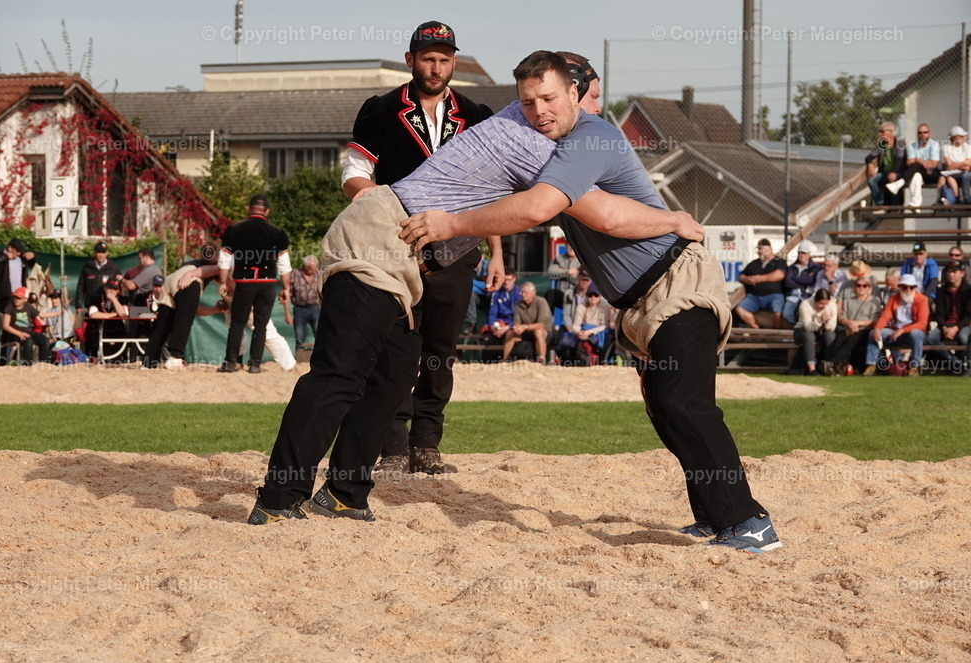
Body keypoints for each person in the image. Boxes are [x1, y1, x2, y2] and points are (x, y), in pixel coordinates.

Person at [248, 50, 709, 529]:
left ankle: (344, 494)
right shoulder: (534, 140)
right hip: (378, 238)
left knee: (390, 379)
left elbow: (495, 197)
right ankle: (280, 496)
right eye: (534, 100)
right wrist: (673, 219)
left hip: (412, 257)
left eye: (564, 99)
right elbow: (599, 214)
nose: (549, 110)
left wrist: (493, 250)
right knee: (339, 374)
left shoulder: (542, 129)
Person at [399, 51, 780, 552]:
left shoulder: (592, 136)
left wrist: (449, 224)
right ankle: (714, 516)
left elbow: (560, 211)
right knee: (667, 408)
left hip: (677, 283)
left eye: (551, 98)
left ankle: (748, 521)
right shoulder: (552, 146)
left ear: (575, 95)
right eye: (529, 102)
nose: (539, 111)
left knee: (681, 402)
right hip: (643, 298)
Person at [342, 20, 503, 475]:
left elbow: (490, 191)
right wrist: (383, 213)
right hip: (397, 248)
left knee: (441, 349)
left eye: (445, 59)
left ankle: (427, 443)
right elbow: (354, 174)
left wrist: (497, 252)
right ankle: (392, 444)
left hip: (458, 247)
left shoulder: (477, 114)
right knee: (396, 347)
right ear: (411, 59)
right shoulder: (379, 109)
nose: (436, 67)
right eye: (428, 58)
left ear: (454, 62)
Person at [217, 195, 290, 374]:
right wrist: (286, 288)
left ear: (249, 209)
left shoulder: (234, 230)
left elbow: (224, 259)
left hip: (244, 282)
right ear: (267, 211)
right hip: (267, 284)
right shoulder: (278, 233)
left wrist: (222, 282)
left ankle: (230, 363)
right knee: (261, 325)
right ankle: (255, 364)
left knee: (237, 323)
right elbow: (284, 264)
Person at [141, 243, 221, 370]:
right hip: (188, 278)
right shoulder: (218, 264)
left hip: (170, 280)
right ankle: (175, 357)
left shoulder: (193, 261)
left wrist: (216, 309)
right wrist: (190, 275)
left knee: (162, 326)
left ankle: (148, 363)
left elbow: (194, 310)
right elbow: (212, 270)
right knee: (184, 319)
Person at [864, 273, 929, 376]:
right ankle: (871, 365)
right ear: (900, 287)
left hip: (911, 333)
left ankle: (915, 366)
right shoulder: (894, 299)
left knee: (916, 333)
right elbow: (885, 316)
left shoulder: (922, 300)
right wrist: (877, 328)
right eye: (904, 287)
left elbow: (922, 324)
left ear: (915, 288)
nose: (908, 290)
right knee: (873, 333)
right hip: (895, 331)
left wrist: (902, 330)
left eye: (911, 287)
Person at [822, 276, 881, 375]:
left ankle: (831, 363)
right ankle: (828, 363)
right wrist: (849, 324)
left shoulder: (874, 301)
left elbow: (875, 320)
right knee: (840, 337)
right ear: (854, 287)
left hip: (865, 330)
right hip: (849, 327)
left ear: (869, 287)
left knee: (853, 338)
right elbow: (842, 316)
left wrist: (859, 323)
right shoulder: (849, 300)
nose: (861, 288)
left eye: (864, 286)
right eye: (858, 285)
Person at [926, 263, 971, 370]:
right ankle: (955, 362)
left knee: (964, 338)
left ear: (962, 274)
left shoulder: (968, 291)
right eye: (949, 272)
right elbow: (939, 314)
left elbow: (968, 315)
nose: (951, 275)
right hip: (945, 325)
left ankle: (964, 363)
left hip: (961, 325)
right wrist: (945, 327)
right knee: (931, 338)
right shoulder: (941, 291)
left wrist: (955, 328)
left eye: (954, 272)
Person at [734, 238, 786, 329]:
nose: (759, 251)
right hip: (754, 296)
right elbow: (740, 276)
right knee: (740, 309)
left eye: (761, 248)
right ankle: (758, 329)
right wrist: (747, 279)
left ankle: (777, 332)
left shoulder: (778, 261)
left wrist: (759, 278)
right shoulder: (754, 263)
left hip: (774, 295)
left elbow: (779, 275)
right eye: (758, 249)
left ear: (768, 249)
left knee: (777, 312)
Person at [884, 123, 940, 207]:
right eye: (920, 133)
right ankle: (915, 203)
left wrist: (919, 160)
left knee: (916, 165)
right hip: (917, 173)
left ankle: (899, 184)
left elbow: (933, 164)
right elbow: (909, 162)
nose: (922, 135)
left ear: (929, 134)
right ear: (917, 134)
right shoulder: (912, 145)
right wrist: (924, 162)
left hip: (931, 174)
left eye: (925, 132)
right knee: (916, 175)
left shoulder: (934, 145)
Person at [503, 282, 552, 363]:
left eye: (525, 292)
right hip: (526, 332)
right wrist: (516, 327)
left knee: (538, 332)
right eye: (521, 292)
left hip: (545, 332)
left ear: (533, 292)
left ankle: (541, 359)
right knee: (510, 333)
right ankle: (505, 359)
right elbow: (516, 321)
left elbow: (541, 325)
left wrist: (525, 327)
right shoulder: (518, 304)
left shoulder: (541, 302)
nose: (522, 294)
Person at [0, 286, 50, 363]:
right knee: (29, 341)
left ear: (25, 299)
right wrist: (19, 333)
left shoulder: (28, 307)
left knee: (44, 340)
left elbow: (40, 314)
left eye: (19, 298)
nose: (16, 300)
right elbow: (5, 326)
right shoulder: (10, 308)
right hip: (15, 334)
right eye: (15, 297)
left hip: (28, 333)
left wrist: (57, 313)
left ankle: (43, 364)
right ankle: (28, 364)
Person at [793, 289, 836, 375]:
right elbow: (808, 327)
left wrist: (827, 321)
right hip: (802, 330)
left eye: (825, 304)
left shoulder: (832, 305)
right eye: (821, 304)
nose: (823, 306)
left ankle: (828, 366)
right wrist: (819, 319)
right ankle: (811, 369)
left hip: (821, 331)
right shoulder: (805, 304)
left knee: (830, 336)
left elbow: (832, 328)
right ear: (815, 301)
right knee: (809, 336)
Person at [0, 238, 37, 312]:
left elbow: (31, 264)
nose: (19, 253)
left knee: (19, 320)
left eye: (20, 251)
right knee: (5, 320)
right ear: (10, 248)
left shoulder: (21, 258)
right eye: (17, 251)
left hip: (20, 296)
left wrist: (33, 256)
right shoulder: (1, 256)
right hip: (6, 297)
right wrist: (5, 257)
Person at [866, 122, 907, 206]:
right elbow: (869, 157)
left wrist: (894, 172)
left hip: (899, 172)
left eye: (882, 131)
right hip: (884, 173)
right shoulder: (882, 144)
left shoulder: (900, 143)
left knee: (893, 179)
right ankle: (879, 203)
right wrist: (870, 165)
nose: (880, 134)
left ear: (891, 132)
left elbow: (899, 160)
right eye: (879, 132)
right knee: (872, 179)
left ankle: (895, 207)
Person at [781, 240, 821, 325]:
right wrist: (802, 282)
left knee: (808, 313)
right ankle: (797, 326)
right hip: (793, 296)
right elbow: (787, 282)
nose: (801, 255)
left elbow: (811, 280)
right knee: (786, 314)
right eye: (799, 253)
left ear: (809, 254)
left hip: (807, 295)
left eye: (804, 253)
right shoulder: (792, 267)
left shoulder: (815, 267)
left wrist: (795, 278)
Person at [75, 241, 121, 314]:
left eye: (103, 253)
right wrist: (78, 305)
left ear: (107, 253)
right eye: (99, 252)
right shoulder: (87, 268)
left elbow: (119, 287)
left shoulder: (113, 267)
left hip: (108, 306)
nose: (101, 255)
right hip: (91, 305)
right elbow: (80, 287)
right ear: (94, 253)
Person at [288, 255, 320, 351]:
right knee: (299, 335)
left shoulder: (319, 273)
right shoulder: (295, 273)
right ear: (305, 267)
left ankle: (321, 357)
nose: (314, 271)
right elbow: (288, 292)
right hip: (299, 309)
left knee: (319, 333)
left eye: (315, 268)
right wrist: (287, 313)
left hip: (316, 307)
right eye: (312, 269)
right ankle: (299, 358)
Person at [486, 267, 520, 342]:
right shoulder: (496, 293)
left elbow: (519, 315)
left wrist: (508, 327)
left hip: (512, 325)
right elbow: (492, 312)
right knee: (488, 339)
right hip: (498, 324)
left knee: (511, 335)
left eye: (509, 280)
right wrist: (492, 326)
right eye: (505, 279)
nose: (506, 282)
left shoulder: (519, 293)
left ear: (514, 279)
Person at [938, 126, 971, 205]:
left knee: (952, 178)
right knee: (943, 179)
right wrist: (962, 163)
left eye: (962, 137)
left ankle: (959, 199)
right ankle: (942, 199)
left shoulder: (967, 147)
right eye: (960, 136)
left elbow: (968, 165)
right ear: (953, 137)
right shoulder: (946, 147)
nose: (962, 138)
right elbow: (949, 165)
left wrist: (954, 165)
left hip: (963, 173)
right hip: (951, 173)